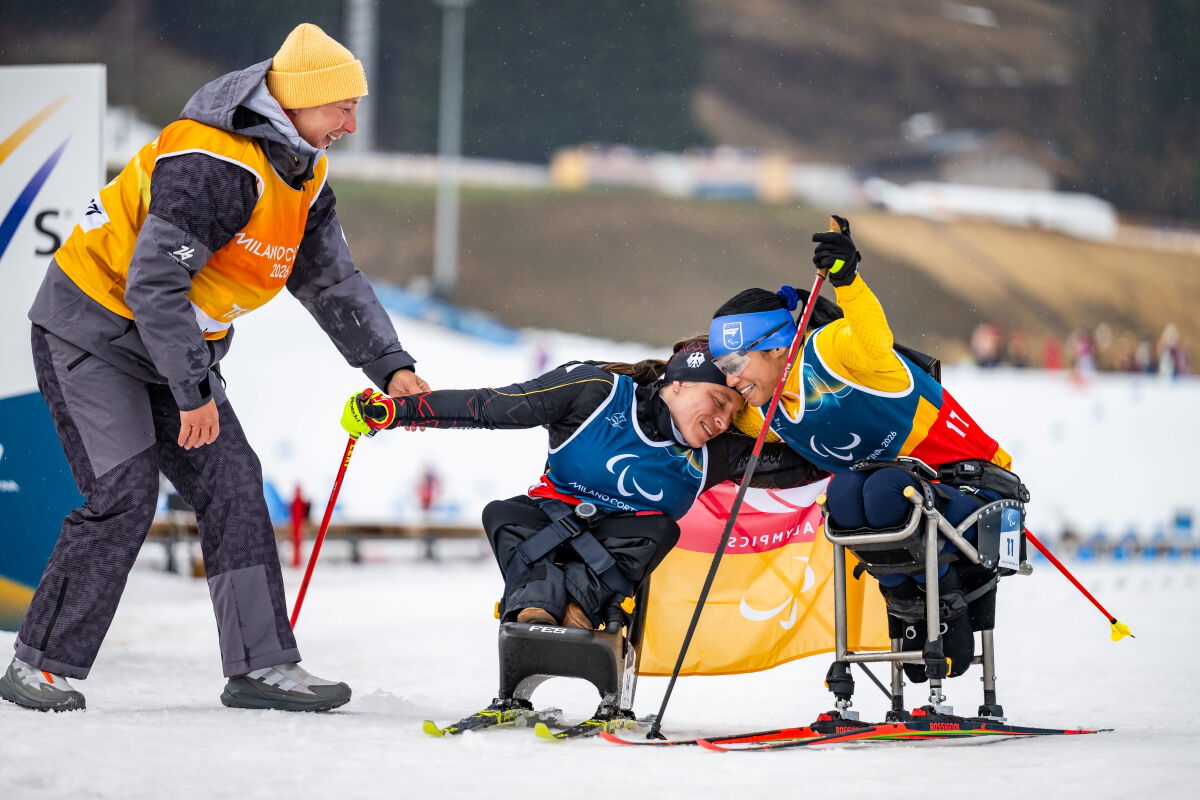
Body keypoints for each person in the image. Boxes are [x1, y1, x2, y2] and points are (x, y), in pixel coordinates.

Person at [0, 23, 428, 714]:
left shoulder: (304, 171)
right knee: (124, 490)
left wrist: (390, 366)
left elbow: (331, 282)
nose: (352, 122)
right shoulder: (211, 162)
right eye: (341, 106)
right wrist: (193, 391)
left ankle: (262, 668)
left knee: (231, 479)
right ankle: (37, 665)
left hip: (172, 346)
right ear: (298, 102)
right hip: (91, 330)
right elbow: (153, 285)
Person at [708, 216, 1025, 682]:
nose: (731, 379)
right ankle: (909, 608)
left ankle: (948, 610)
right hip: (911, 501)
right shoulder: (765, 412)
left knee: (880, 490)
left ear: (776, 346)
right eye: (723, 366)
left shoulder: (832, 350)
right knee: (842, 495)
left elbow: (873, 340)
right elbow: (705, 411)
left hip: (977, 489)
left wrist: (848, 280)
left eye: (736, 363)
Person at [341, 339, 827, 630]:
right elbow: (490, 406)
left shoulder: (718, 454)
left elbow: (806, 464)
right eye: (718, 400)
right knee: (502, 513)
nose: (723, 419)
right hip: (551, 522)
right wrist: (396, 412)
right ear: (676, 383)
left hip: (621, 550)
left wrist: (870, 433)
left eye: (733, 412)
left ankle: (572, 612)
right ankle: (538, 610)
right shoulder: (593, 392)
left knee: (661, 528)